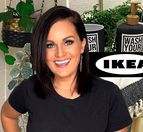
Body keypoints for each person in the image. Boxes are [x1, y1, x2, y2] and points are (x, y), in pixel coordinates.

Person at [1, 6, 132, 132]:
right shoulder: (30, 88)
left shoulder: (109, 95)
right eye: (49, 45)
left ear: (82, 44)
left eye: (68, 42)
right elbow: (7, 116)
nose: (60, 53)